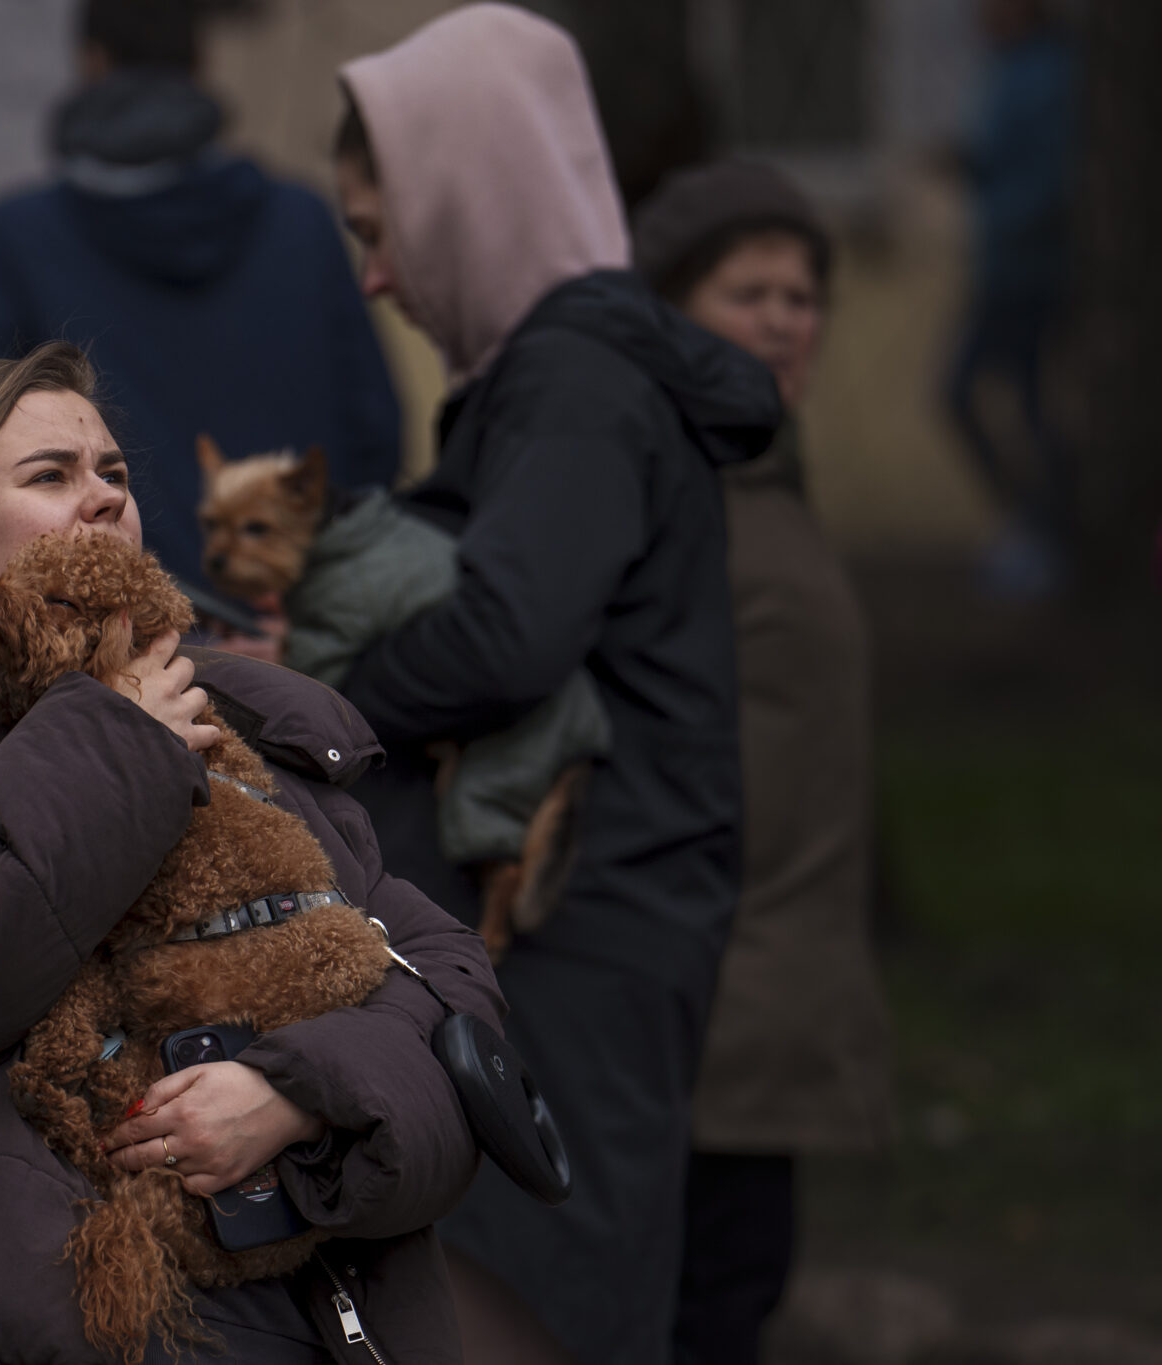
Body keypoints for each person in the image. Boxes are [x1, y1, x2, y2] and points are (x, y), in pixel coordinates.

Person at [0, 339, 504, 1364]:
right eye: (51, 475)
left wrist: (300, 1092)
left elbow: (444, 996)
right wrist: (117, 747)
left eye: (115, 475)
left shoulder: (248, 738)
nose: (103, 501)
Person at [328, 7, 782, 1362]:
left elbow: (509, 636)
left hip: (580, 938)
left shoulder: (574, 382)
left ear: (469, 191)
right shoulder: (549, 375)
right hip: (570, 923)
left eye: (376, 228)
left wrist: (320, 691)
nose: (374, 278)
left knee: (543, 1315)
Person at [633, 159, 894, 1365]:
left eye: (803, 294)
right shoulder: (665, 493)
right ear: (670, 311)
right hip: (692, 1018)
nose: (786, 318)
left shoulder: (768, 481)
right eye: (749, 292)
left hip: (769, 1004)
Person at [0, 0, 401, 585]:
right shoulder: (302, 222)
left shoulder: (21, 236)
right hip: (294, 628)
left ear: (91, 61)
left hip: (112, 630)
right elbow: (375, 435)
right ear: (201, 61)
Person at [947, 0, 1078, 599]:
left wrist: (1007, 211)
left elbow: (1050, 182)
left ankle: (1042, 529)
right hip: (1003, 266)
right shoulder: (1008, 72)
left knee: (979, 395)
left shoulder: (1050, 74)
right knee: (1019, 403)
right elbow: (1006, 163)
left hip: (1029, 273)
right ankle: (1035, 528)